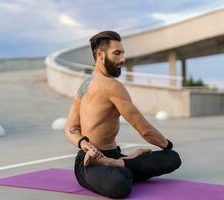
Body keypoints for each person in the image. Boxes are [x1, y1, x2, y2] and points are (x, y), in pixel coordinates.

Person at [64, 31, 181, 198]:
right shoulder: (112, 86)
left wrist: (84, 144)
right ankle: (124, 164)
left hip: (113, 155)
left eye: (123, 53)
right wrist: (167, 146)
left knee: (126, 175)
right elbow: (144, 129)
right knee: (169, 159)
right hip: (89, 162)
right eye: (117, 53)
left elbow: (70, 128)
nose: (122, 59)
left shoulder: (85, 85)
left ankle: (116, 163)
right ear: (100, 54)